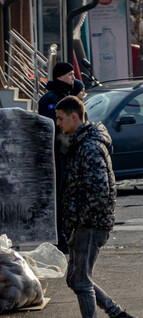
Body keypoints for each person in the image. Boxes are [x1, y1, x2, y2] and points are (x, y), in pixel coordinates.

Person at [55, 96, 133, 318]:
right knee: (76, 279)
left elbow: (99, 191)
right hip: (84, 224)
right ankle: (116, 313)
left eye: (60, 119)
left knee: (80, 280)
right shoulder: (80, 143)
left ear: (74, 116)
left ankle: (115, 312)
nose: (58, 124)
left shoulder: (89, 146)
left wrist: (81, 220)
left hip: (90, 224)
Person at [39, 61, 76, 254]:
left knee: (65, 197)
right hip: (53, 156)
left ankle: (63, 234)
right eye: (70, 75)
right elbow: (52, 129)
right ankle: (57, 237)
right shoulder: (50, 99)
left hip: (62, 155)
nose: (73, 78)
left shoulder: (63, 97)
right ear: (60, 76)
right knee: (57, 198)